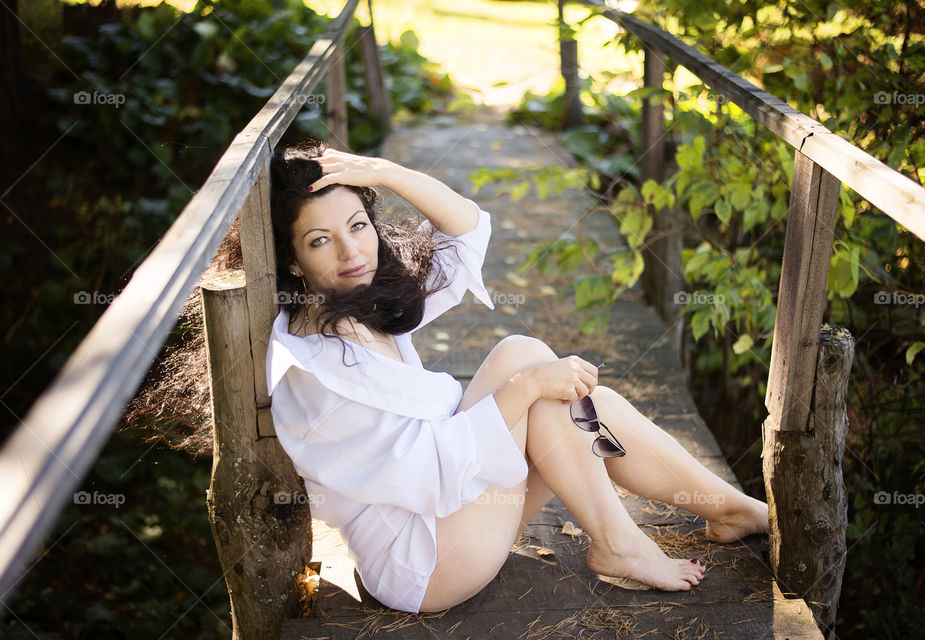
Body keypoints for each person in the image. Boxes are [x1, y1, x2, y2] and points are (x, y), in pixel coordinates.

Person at [265, 139, 769, 615]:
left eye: (358, 226)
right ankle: (618, 544)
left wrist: (385, 172)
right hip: (423, 560)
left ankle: (732, 510)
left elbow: (464, 231)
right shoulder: (317, 367)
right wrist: (527, 387)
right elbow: (430, 470)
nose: (351, 253)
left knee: (575, 397)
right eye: (319, 241)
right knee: (533, 375)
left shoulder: (353, 300)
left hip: (456, 515)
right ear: (293, 258)